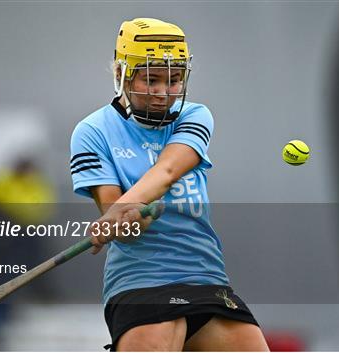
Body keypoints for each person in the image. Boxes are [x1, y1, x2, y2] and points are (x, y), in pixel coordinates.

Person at [70, 18, 269, 351]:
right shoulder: (92, 132)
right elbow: (120, 217)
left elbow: (167, 171)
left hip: (205, 276)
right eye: (151, 80)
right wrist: (128, 218)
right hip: (141, 279)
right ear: (121, 74)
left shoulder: (195, 115)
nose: (164, 93)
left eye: (174, 80)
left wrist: (122, 210)